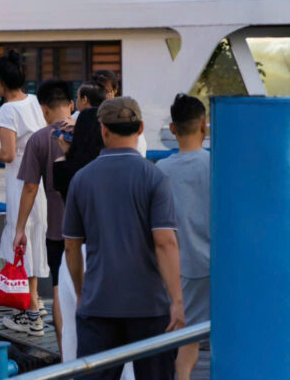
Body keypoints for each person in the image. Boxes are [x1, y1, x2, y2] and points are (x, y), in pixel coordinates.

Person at [63, 97, 184, 380]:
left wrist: (82, 293)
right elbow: (165, 242)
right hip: (150, 306)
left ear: (102, 130)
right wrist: (177, 300)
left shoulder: (81, 179)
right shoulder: (154, 178)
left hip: (99, 306)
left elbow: (71, 246)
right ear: (140, 128)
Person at [0, 50, 49, 336]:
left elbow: (7, 154)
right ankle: (34, 305)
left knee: (20, 243)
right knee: (31, 242)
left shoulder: (7, 110)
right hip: (39, 184)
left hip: (20, 184)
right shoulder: (33, 101)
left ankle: (29, 313)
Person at [13, 78, 74, 344]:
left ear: (43, 109)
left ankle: (64, 354)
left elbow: (29, 188)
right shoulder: (91, 133)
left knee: (61, 293)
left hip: (58, 232)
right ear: (71, 105)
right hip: (92, 230)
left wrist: (19, 229)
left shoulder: (39, 139)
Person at [156, 94, 210, 380]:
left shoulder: (160, 171)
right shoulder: (217, 167)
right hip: (211, 264)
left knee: (183, 337)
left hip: (176, 267)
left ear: (173, 130)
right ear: (204, 127)